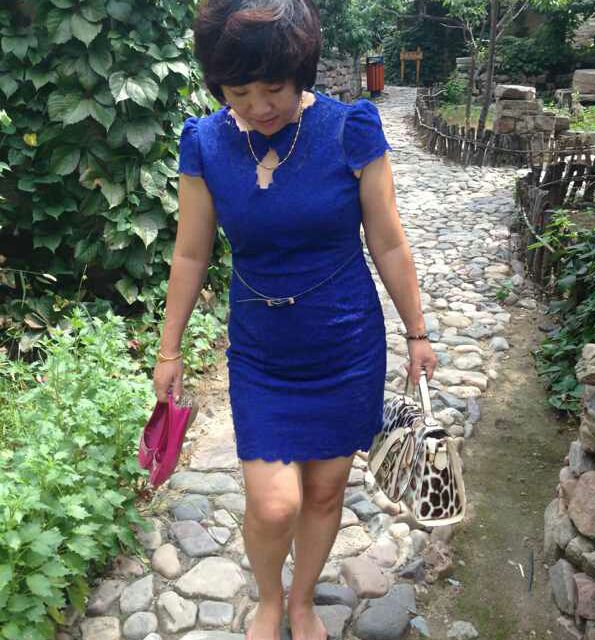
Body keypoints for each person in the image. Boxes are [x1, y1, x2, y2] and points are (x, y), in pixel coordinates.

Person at [153, 1, 437, 638]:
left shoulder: (349, 129)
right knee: (275, 503)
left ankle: (302, 600)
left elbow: (388, 242)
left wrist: (417, 333)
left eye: (273, 89)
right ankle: (268, 598)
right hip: (262, 352)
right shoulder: (205, 143)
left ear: (300, 71)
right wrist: (169, 350)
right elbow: (191, 253)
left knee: (326, 491)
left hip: (345, 345)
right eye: (239, 93)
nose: (258, 107)